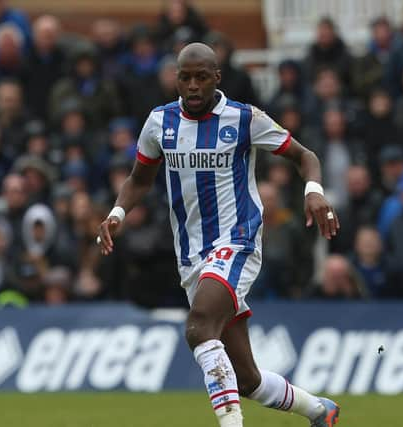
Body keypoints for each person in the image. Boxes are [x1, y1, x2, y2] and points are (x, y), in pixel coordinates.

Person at [98, 43, 341, 427]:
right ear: (176, 79)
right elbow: (139, 178)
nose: (192, 86)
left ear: (217, 77)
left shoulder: (244, 119)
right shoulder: (160, 123)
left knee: (198, 326)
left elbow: (304, 155)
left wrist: (314, 191)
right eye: (185, 77)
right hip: (191, 255)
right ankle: (320, 411)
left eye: (201, 77)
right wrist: (117, 212)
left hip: (238, 241)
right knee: (248, 379)